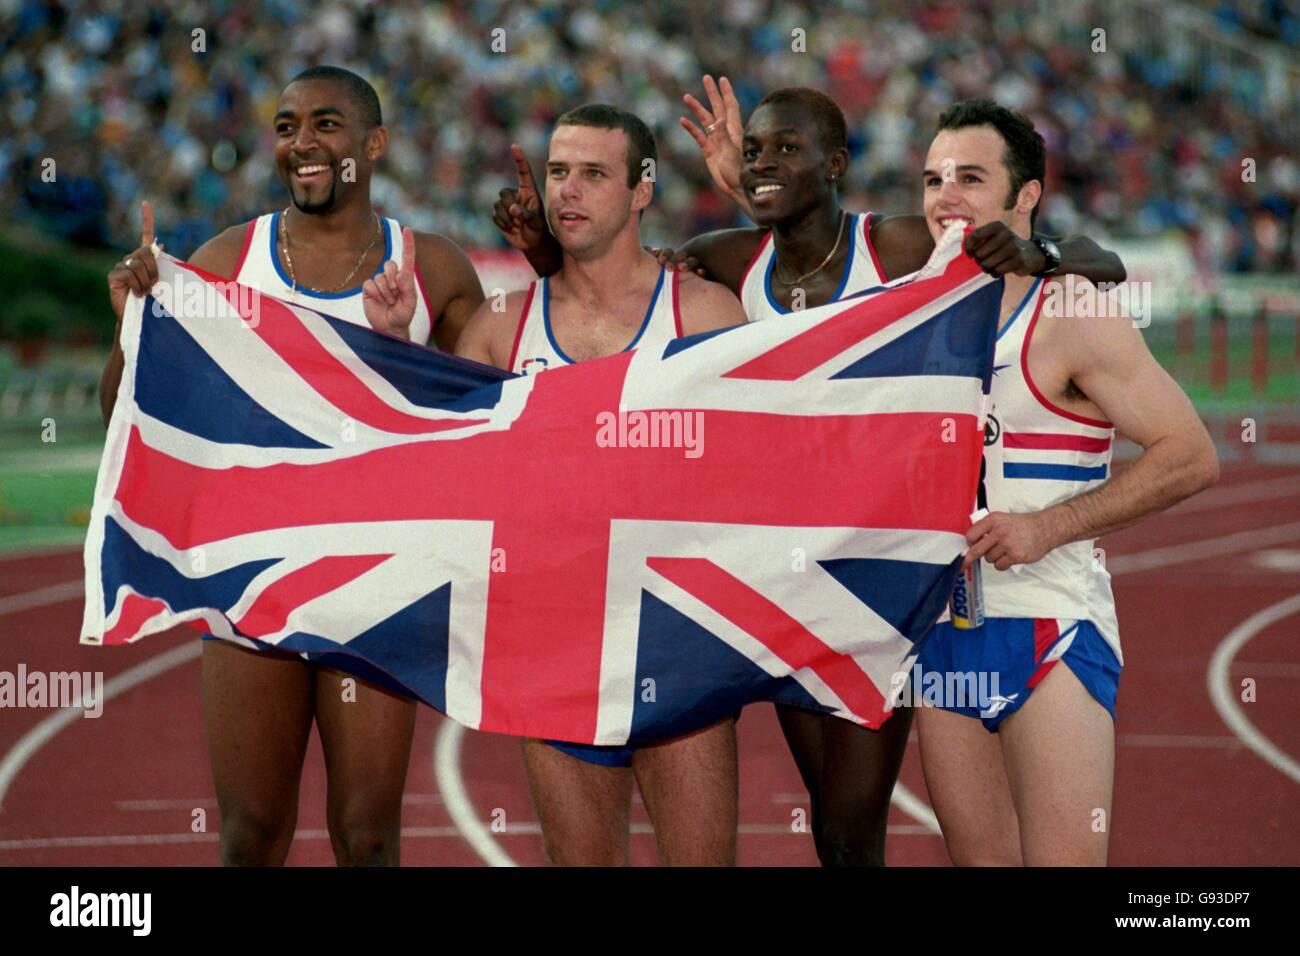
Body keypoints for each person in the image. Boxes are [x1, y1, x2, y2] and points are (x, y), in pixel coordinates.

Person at [494, 78, 1129, 867]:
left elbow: (1103, 265)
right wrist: (541, 249)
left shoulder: (893, 246)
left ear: (835, 164)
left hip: (882, 573)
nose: (762, 163)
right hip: (785, 581)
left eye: (787, 150)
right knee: (830, 821)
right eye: (754, 151)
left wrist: (1040, 252)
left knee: (852, 823)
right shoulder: (724, 261)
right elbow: (618, 283)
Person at [100, 65, 485, 866]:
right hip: (255, 579)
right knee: (250, 836)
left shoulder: (436, 269)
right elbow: (128, 416)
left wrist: (400, 349)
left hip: (379, 583)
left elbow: (493, 420)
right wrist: (131, 326)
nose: (301, 144)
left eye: (325, 125)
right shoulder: (224, 261)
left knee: (370, 838)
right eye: (285, 127)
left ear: (373, 144)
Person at [910, 99, 1219, 865]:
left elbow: (1190, 453)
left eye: (971, 178)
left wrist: (1046, 528)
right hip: (938, 632)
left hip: (1051, 625)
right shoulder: (906, 307)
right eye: (932, 179)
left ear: (1025, 196)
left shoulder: (1074, 309)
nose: (946, 196)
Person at [455, 104, 749, 866]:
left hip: (678, 641)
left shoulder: (705, 314)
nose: (568, 192)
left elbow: (749, 483)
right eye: (558, 172)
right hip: (554, 647)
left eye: (593, 173)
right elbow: (448, 486)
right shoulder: (496, 331)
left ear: (643, 190)